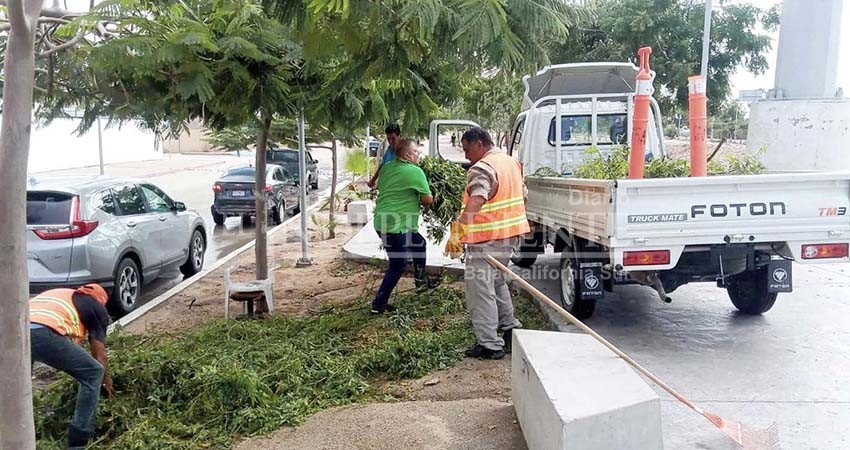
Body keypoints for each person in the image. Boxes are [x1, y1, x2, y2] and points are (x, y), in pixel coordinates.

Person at [445, 127, 530, 360]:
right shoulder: (511, 163)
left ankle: (490, 345)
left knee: (480, 291)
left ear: (480, 144)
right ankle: (510, 327)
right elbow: (524, 195)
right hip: (508, 237)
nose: (466, 155)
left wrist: (457, 233)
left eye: (467, 149)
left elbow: (477, 199)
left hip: (485, 239)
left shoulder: (482, 168)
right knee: (497, 282)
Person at [30, 284, 114, 449]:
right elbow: (99, 357)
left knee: (19, 388)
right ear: (101, 301)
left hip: (12, 330)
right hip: (41, 332)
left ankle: (13, 432)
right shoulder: (97, 307)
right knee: (93, 372)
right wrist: (107, 383)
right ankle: (78, 441)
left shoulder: (59, 293)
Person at [371, 139, 436, 314]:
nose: (418, 155)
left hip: (384, 222)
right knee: (398, 264)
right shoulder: (415, 172)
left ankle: (421, 281)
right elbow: (427, 199)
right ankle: (379, 304)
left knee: (419, 244)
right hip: (395, 226)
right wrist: (432, 195)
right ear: (407, 154)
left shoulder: (387, 167)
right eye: (416, 152)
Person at [367, 123, 402, 190]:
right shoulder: (389, 150)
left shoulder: (404, 151)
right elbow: (383, 165)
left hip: (398, 188)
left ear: (399, 136)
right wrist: (373, 180)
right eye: (389, 139)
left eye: (393, 138)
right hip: (387, 186)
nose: (391, 141)